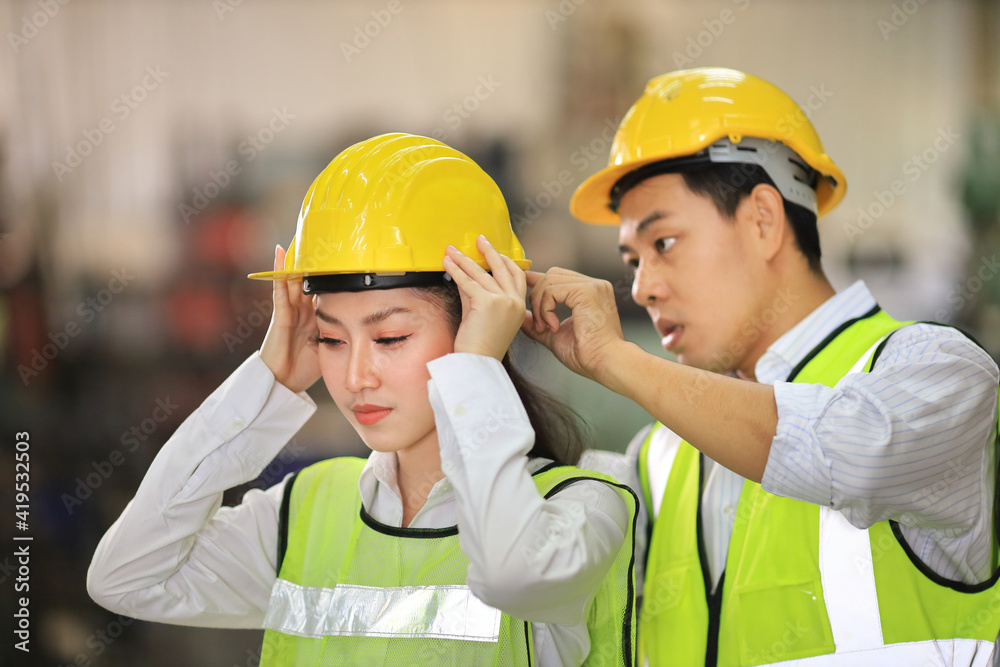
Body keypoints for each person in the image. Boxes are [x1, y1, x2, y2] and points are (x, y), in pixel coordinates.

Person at [87, 133, 638, 666]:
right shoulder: (304, 513)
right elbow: (126, 578)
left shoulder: (580, 507)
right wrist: (268, 383)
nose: (354, 377)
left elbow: (513, 573)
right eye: (330, 339)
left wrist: (475, 370)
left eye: (390, 338)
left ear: (478, 320)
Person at [524, 68, 1000, 666]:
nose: (642, 288)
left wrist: (618, 360)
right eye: (632, 259)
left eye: (663, 244)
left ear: (764, 220)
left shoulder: (935, 373)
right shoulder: (659, 458)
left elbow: (844, 450)